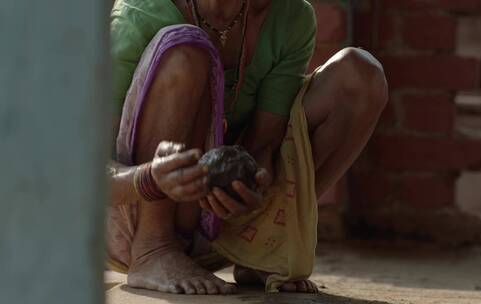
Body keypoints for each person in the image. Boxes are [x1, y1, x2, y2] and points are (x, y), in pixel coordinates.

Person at [106, 0, 388, 296]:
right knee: (187, 48)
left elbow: (265, 143)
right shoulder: (142, 12)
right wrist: (149, 178)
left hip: (222, 225)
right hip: (131, 217)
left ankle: (263, 249)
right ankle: (155, 249)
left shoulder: (289, 16)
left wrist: (255, 185)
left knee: (359, 76)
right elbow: (81, 170)